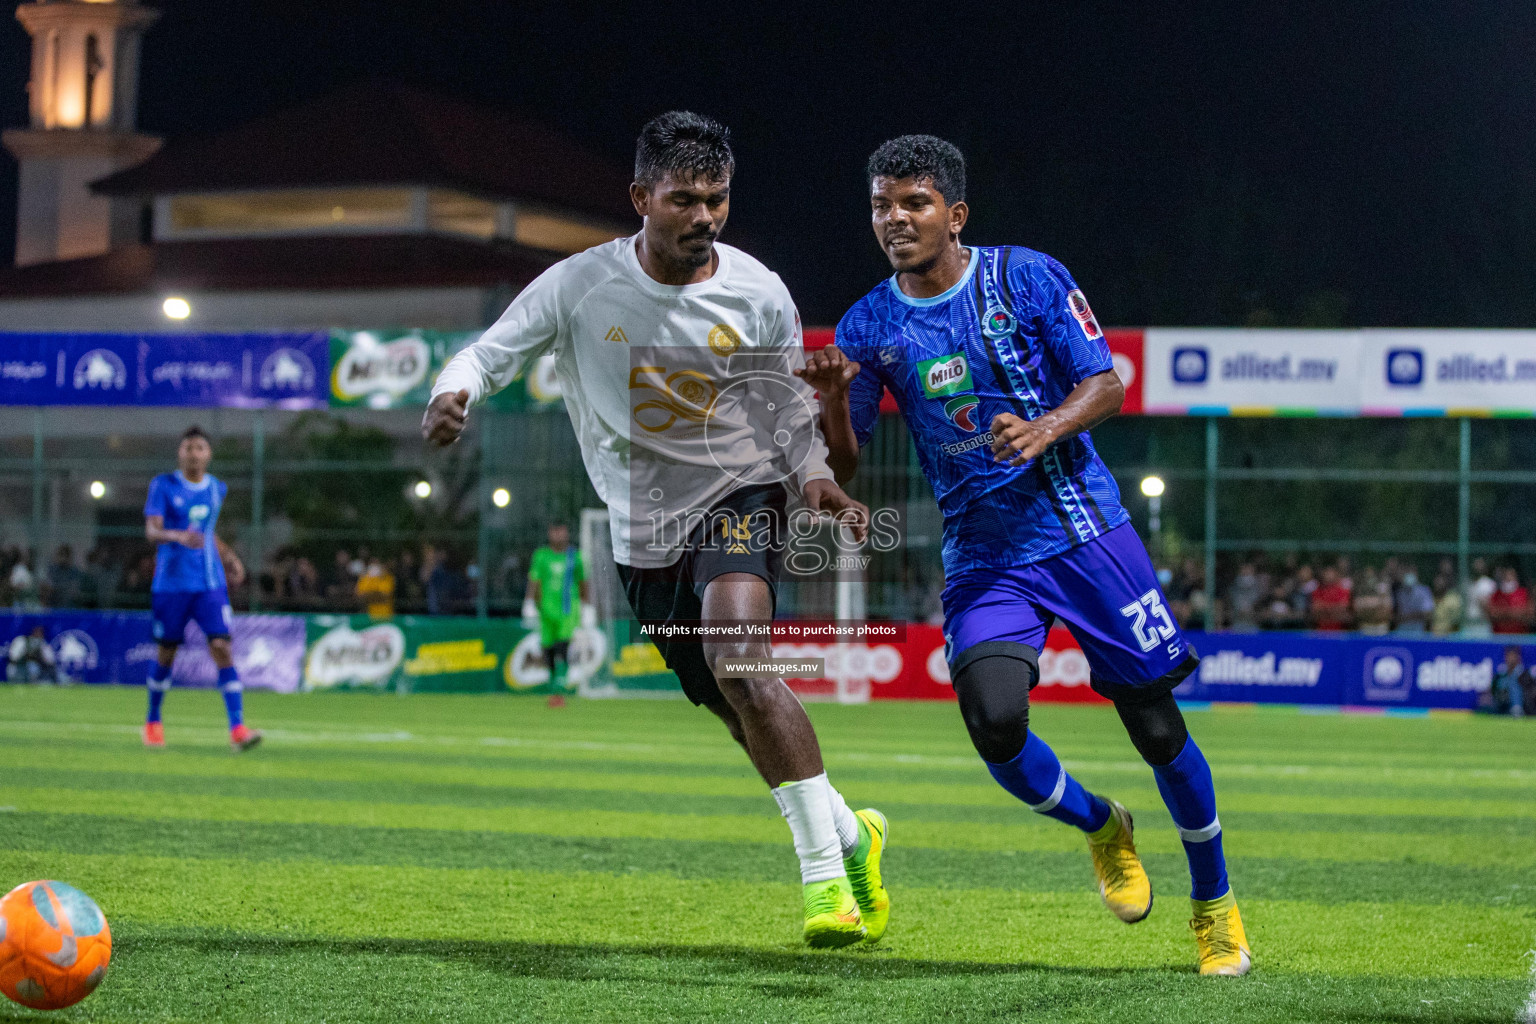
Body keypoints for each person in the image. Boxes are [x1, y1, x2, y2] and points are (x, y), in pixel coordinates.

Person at [423, 112, 889, 949]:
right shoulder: (578, 287)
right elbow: (488, 354)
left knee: (741, 656)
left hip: (740, 492)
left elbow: (789, 421)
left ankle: (826, 884)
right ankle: (852, 834)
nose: (704, 215)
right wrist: (451, 390)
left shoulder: (758, 290)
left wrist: (815, 475)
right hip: (642, 529)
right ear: (641, 197)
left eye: (717, 198)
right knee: (732, 700)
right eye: (684, 199)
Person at [803, 135, 1247, 975]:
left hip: (1084, 531)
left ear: (955, 214)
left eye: (914, 203)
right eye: (880, 206)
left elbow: (1107, 380)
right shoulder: (868, 322)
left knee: (1155, 726)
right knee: (995, 725)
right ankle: (1101, 825)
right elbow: (848, 459)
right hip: (984, 554)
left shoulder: (1027, 277)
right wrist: (830, 402)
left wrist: (1044, 427)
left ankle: (1214, 904)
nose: (894, 220)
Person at [141, 425, 262, 752]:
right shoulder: (163, 485)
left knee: (222, 647)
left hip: (209, 584)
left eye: (199, 448)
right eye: (188, 448)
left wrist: (228, 555)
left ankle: (238, 729)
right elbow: (153, 531)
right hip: (171, 584)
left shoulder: (216, 489)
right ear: (180, 453)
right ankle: (153, 722)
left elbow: (207, 533)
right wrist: (177, 535)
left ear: (208, 455)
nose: (193, 453)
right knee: (167, 652)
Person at [523, 523, 593, 691]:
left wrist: (587, 605)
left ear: (566, 533)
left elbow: (583, 582)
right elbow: (534, 580)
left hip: (568, 609)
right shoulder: (541, 556)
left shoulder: (575, 556)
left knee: (563, 645)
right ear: (549, 533)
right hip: (545, 609)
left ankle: (561, 682)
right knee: (548, 648)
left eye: (561, 531)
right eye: (555, 531)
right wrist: (529, 602)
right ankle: (553, 682)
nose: (558, 535)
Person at [1488, 567, 1532, 635]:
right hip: (1500, 636)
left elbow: (1527, 613)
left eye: (1511, 575)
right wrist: (1513, 612)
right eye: (1505, 575)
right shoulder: (1495, 595)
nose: (1508, 578)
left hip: (1520, 635)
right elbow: (1493, 614)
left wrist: (1504, 613)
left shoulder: (1524, 593)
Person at [1392, 564, 1434, 633]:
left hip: (1418, 631)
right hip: (1401, 631)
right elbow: (1396, 616)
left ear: (1416, 574)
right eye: (1406, 573)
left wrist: (1406, 617)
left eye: (1411, 573)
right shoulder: (1399, 592)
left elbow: (1428, 613)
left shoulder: (1424, 591)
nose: (1408, 575)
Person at [1460, 558, 1496, 637]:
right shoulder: (1466, 583)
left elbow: (1492, 606)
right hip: (1468, 624)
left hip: (1482, 624)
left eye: (1480, 565)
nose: (1477, 567)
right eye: (1476, 564)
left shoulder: (1489, 583)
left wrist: (1485, 604)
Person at [1310, 565, 1352, 630]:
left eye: (1331, 572)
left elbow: (1343, 608)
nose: (1329, 575)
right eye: (1327, 573)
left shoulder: (1344, 591)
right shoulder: (1316, 592)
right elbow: (1316, 608)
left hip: (1340, 631)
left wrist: (1325, 608)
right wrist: (1334, 608)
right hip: (1321, 631)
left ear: (1336, 574)